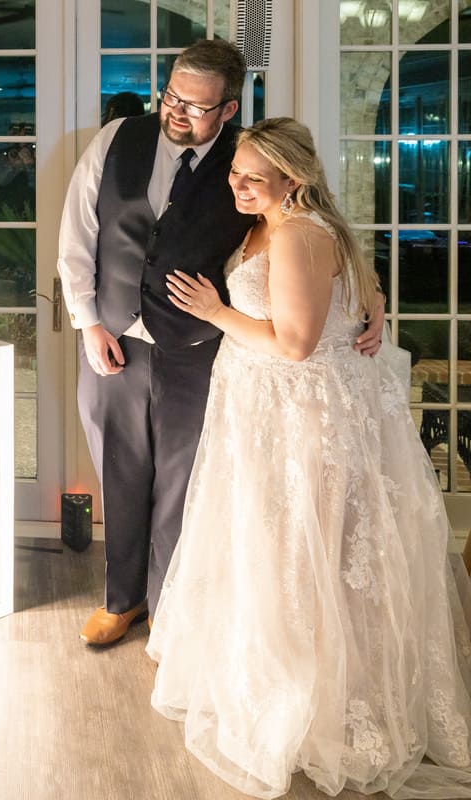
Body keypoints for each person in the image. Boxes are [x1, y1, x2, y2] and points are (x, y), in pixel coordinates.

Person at [150, 116, 471, 798]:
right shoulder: (270, 222)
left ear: (292, 179)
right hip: (264, 412)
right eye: (235, 173)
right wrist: (375, 298)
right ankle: (273, 676)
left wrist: (214, 311)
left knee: (304, 555)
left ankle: (316, 702)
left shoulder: (296, 233)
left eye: (252, 179)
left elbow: (295, 344)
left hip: (299, 419)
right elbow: (346, 288)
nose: (236, 186)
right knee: (272, 550)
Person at [56, 37, 386, 647]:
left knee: (187, 483)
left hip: (204, 347)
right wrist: (88, 323)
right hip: (114, 339)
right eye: (172, 96)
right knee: (120, 472)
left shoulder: (253, 163)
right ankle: (121, 599)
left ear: (230, 109)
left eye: (197, 106)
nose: (177, 112)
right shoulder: (114, 141)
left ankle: (170, 611)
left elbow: (315, 235)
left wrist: (371, 299)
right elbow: (77, 235)